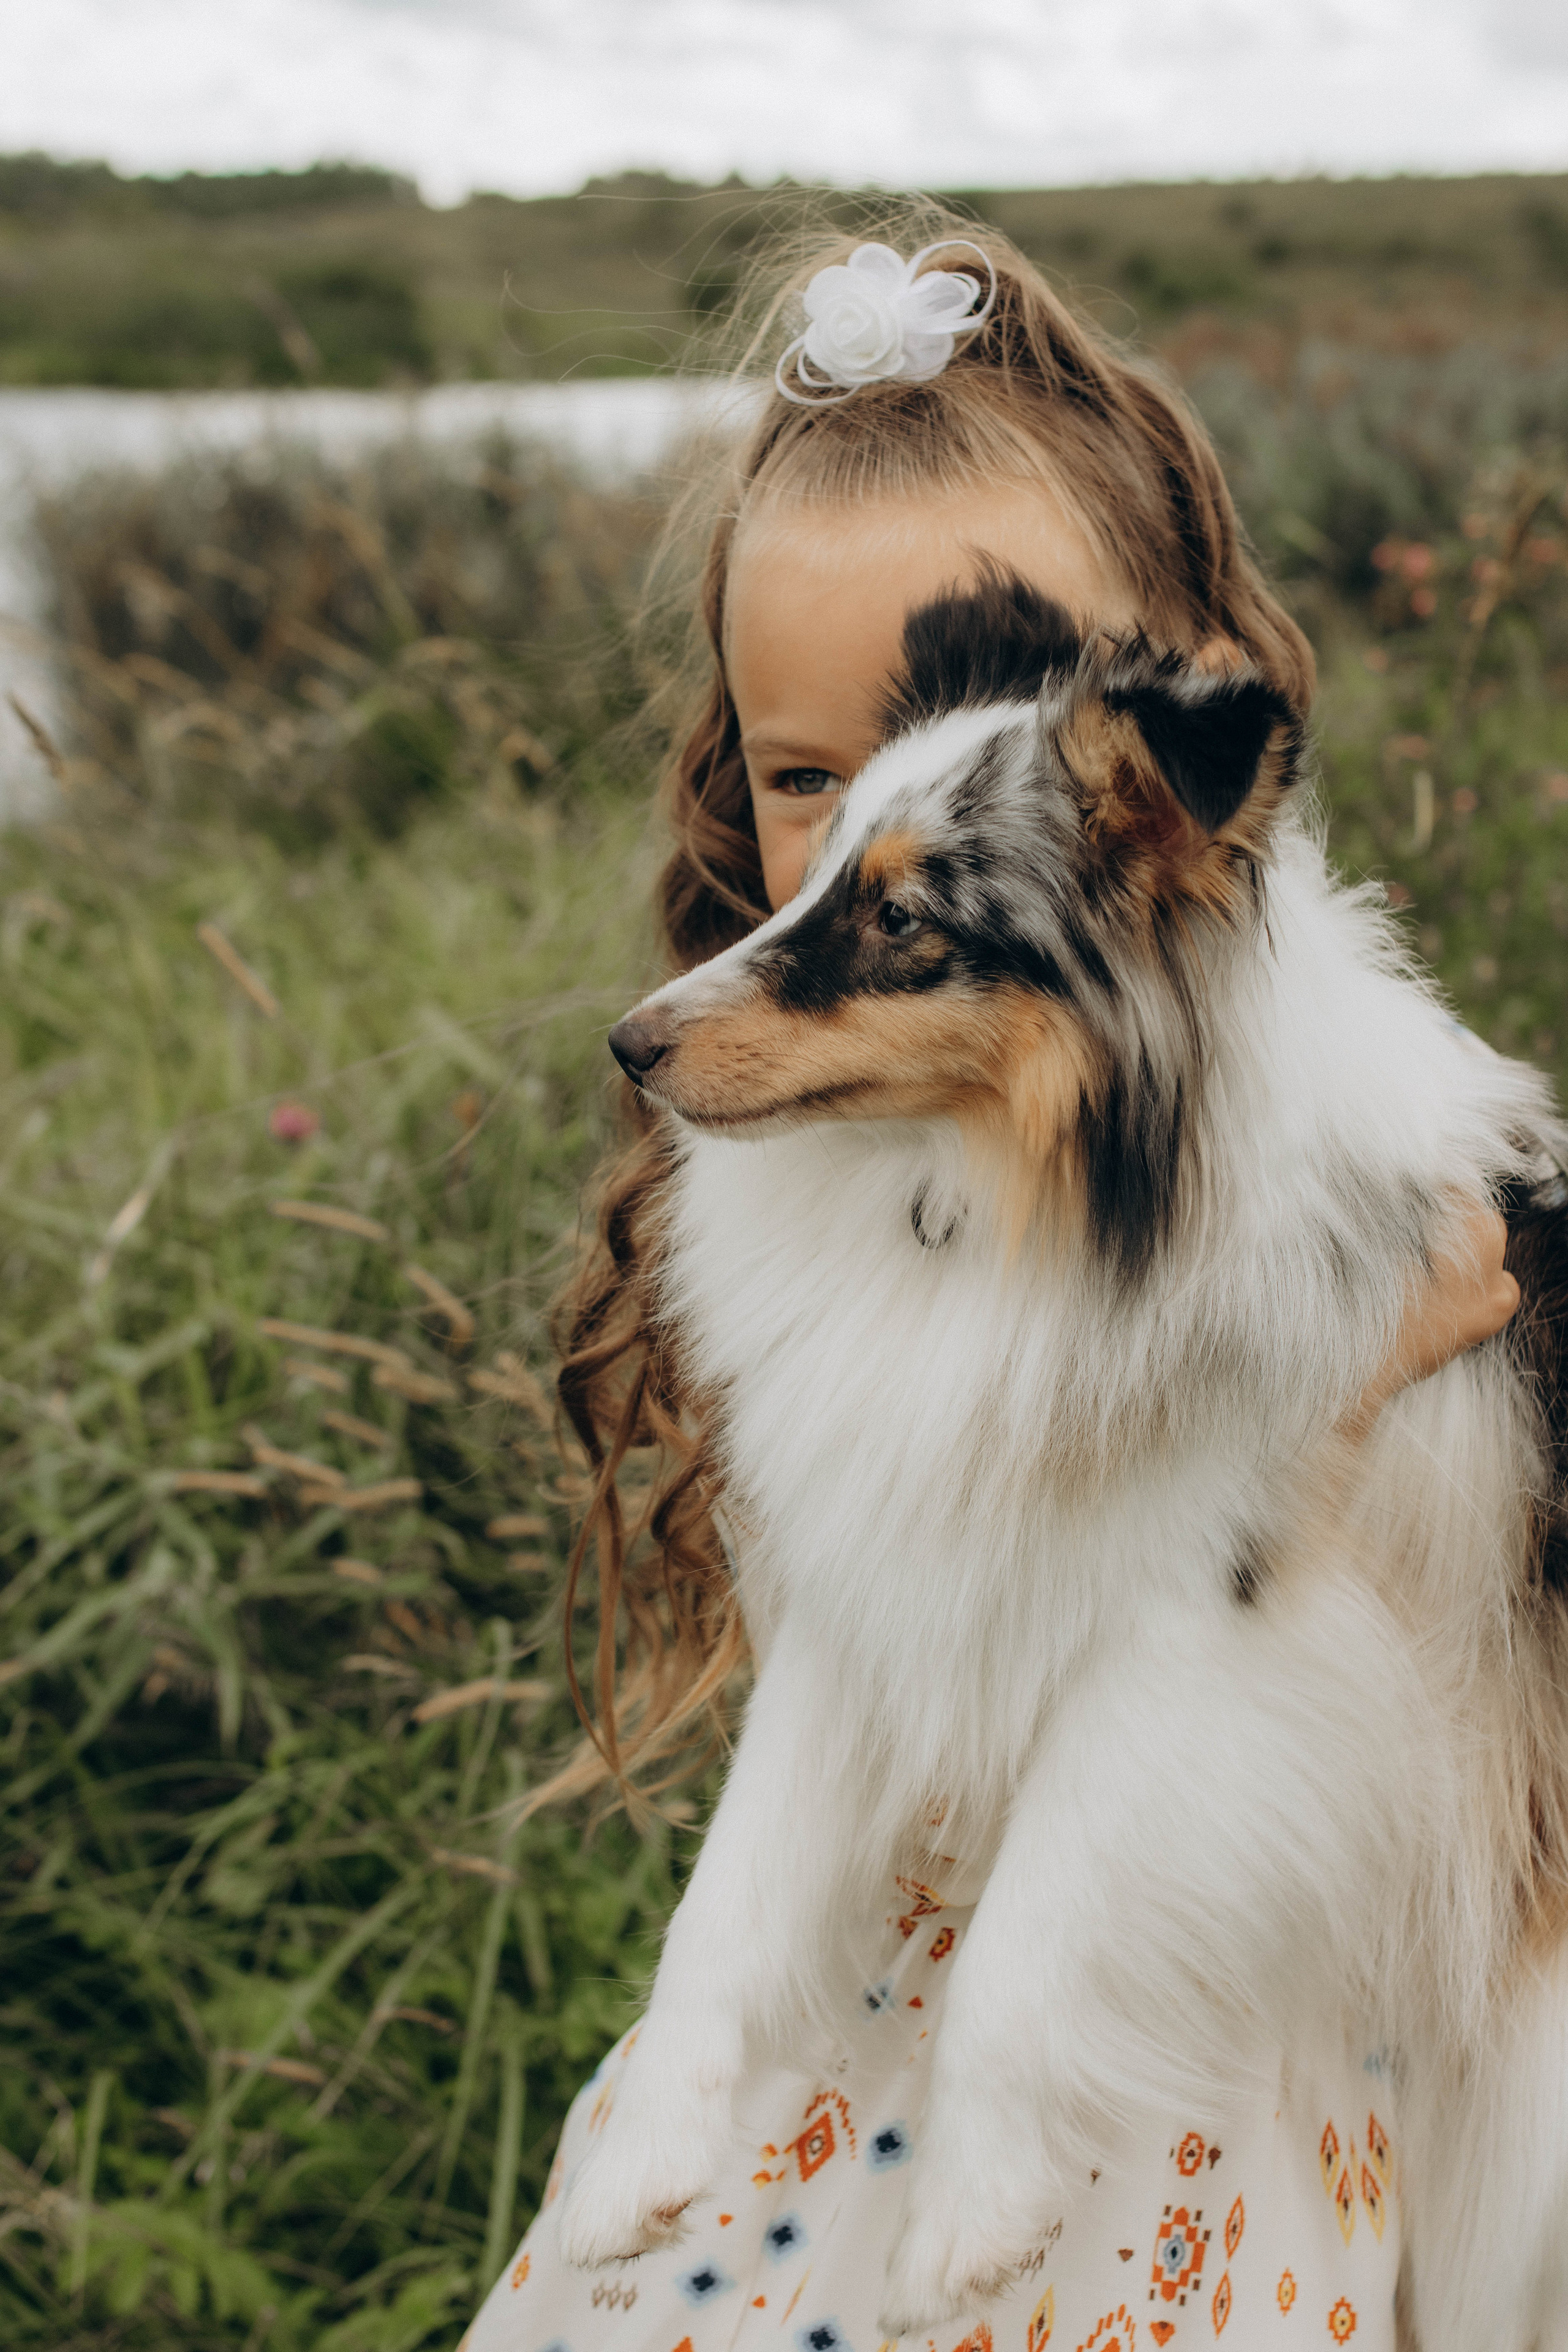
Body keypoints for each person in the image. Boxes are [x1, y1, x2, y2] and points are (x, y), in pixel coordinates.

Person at [463, 209, 1520, 2352]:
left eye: (944, 758)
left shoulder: (1341, 1191)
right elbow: (844, 1659)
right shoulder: (829, 1172)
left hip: (1183, 2042)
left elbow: (1268, 1662)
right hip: (869, 2036)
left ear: (1152, 813)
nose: (857, 842)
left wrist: (1311, 1416)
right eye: (801, 780)